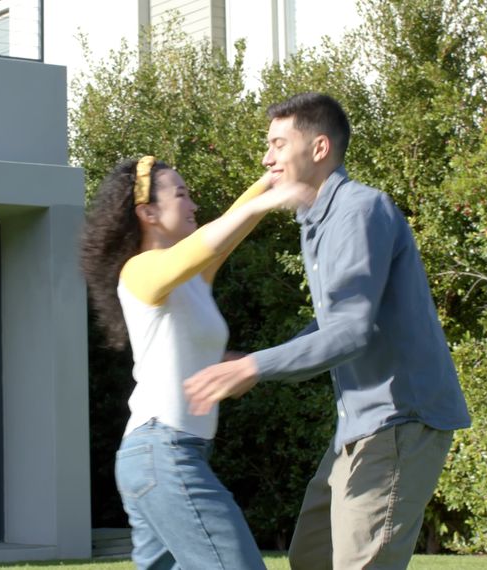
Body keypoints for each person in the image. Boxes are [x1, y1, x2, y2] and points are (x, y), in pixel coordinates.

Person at [183, 92, 472, 570]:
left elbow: (351, 331)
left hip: (398, 420)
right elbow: (334, 322)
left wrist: (256, 365)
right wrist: (254, 361)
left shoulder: (358, 210)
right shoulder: (316, 221)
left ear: (318, 149)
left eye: (278, 143)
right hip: (358, 426)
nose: (266, 157)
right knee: (311, 557)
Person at [80, 155, 308, 570]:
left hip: (164, 456)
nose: (193, 205)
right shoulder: (139, 271)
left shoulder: (192, 280)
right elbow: (210, 239)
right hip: (163, 452)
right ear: (147, 212)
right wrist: (265, 200)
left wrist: (270, 178)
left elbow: (230, 231)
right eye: (181, 195)